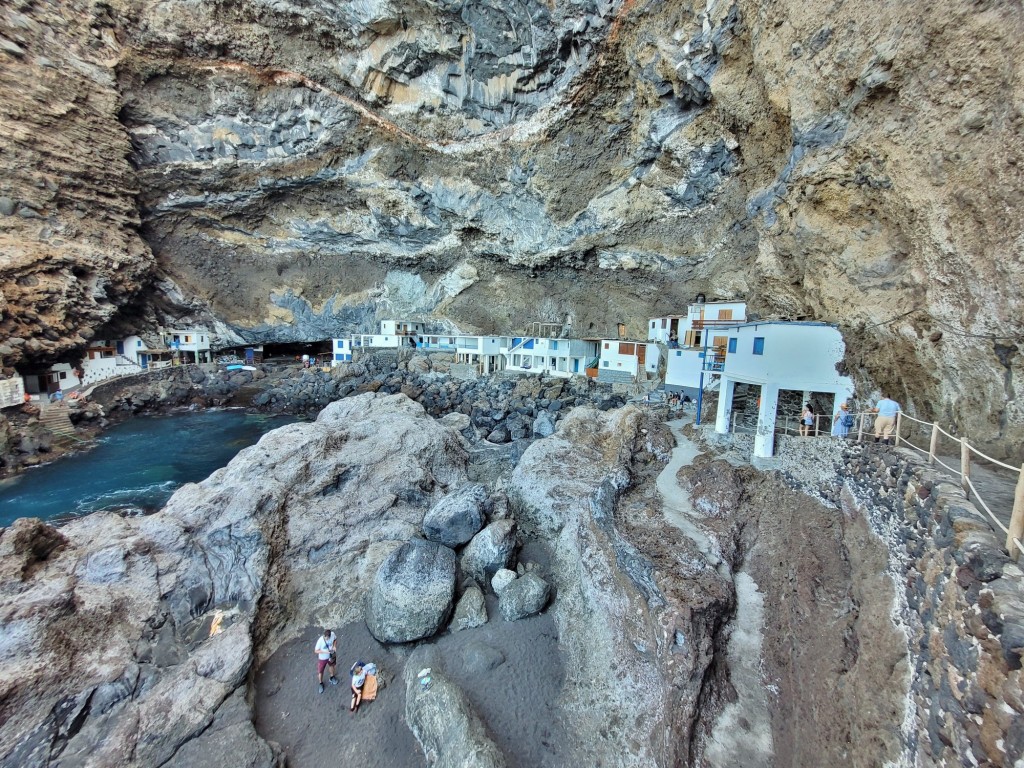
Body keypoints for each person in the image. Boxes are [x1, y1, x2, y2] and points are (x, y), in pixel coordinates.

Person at [314, 629, 338, 694]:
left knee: (332, 666)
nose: (326, 639)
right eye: (325, 637)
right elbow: (316, 651)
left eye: (327, 638)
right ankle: (320, 683)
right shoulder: (320, 641)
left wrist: (334, 646)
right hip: (322, 658)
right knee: (320, 671)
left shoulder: (332, 634)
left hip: (331, 655)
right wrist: (325, 652)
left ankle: (332, 677)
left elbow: (335, 640)